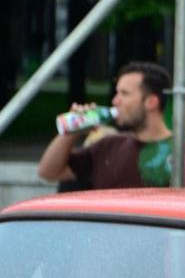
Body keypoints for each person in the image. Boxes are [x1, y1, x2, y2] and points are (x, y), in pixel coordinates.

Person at [38, 61, 174, 190]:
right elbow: (48, 173)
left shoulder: (179, 152)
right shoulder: (109, 145)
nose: (115, 101)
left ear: (151, 102)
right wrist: (73, 131)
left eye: (124, 94)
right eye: (117, 93)